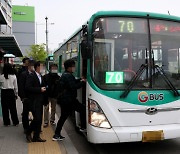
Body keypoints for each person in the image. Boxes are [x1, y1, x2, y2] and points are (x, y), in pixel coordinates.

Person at [52, 59, 86, 141]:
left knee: (63, 117)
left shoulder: (65, 74)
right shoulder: (68, 75)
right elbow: (73, 86)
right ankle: (83, 127)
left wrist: (80, 80)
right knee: (83, 109)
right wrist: (82, 82)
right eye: (73, 66)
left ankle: (56, 135)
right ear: (69, 67)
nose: (74, 68)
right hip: (69, 100)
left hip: (65, 100)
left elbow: (72, 82)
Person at [25, 61, 46, 142]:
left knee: (40, 119)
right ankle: (28, 131)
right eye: (41, 66)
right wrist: (39, 89)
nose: (42, 68)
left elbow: (43, 85)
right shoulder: (31, 76)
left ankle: (36, 137)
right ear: (37, 67)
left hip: (40, 100)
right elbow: (28, 87)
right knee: (37, 118)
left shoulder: (40, 76)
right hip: (34, 101)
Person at [18, 60, 35, 134]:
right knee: (25, 113)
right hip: (26, 97)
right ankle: (26, 128)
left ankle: (33, 127)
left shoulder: (35, 74)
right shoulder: (23, 74)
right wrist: (22, 97)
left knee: (35, 113)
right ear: (29, 66)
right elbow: (20, 86)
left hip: (34, 97)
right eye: (32, 65)